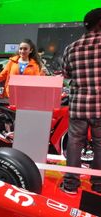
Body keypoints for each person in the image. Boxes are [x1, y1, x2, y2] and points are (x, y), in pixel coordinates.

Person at [60, 8, 101, 194]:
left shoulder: (71, 47)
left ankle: (70, 184)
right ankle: (99, 184)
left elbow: (66, 74)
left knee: (74, 143)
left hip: (79, 106)